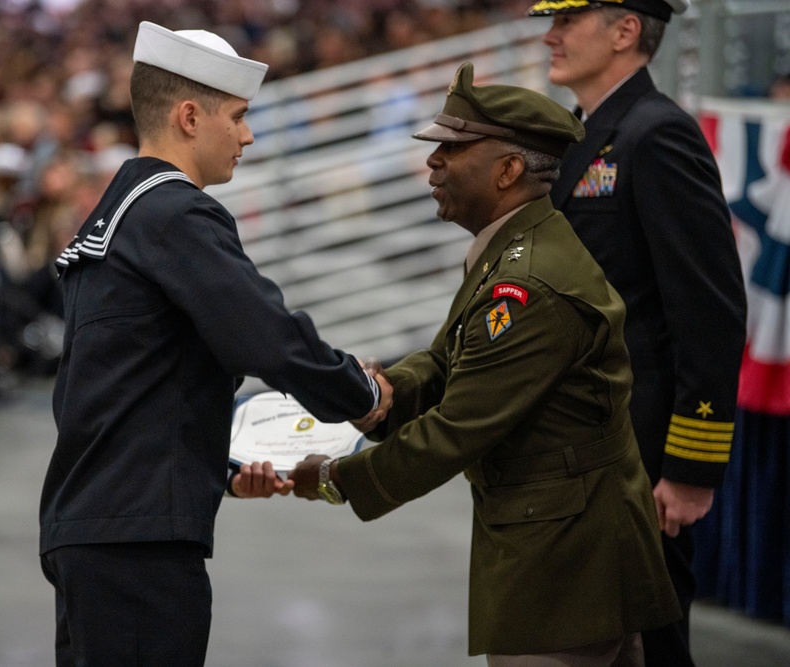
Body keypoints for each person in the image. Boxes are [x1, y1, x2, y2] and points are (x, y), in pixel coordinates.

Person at [290, 62, 681, 665]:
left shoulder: (527, 284)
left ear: (508, 169)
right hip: (563, 538)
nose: (432, 163)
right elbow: (450, 358)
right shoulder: (514, 247)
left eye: (452, 148)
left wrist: (335, 481)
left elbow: (457, 431)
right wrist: (385, 391)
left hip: (567, 561)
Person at [38, 21, 391, 666]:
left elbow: (116, 388)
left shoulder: (120, 210)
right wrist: (362, 394)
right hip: (137, 544)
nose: (249, 136)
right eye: (240, 116)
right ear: (191, 116)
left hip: (101, 524)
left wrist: (219, 469)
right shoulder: (175, 213)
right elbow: (268, 340)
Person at [527, 2, 748, 664]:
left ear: (626, 32)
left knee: (650, 638)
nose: (550, 34)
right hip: (583, 442)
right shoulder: (581, 135)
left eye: (568, 20)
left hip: (639, 449)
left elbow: (709, 311)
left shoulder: (657, 135)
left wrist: (690, 468)